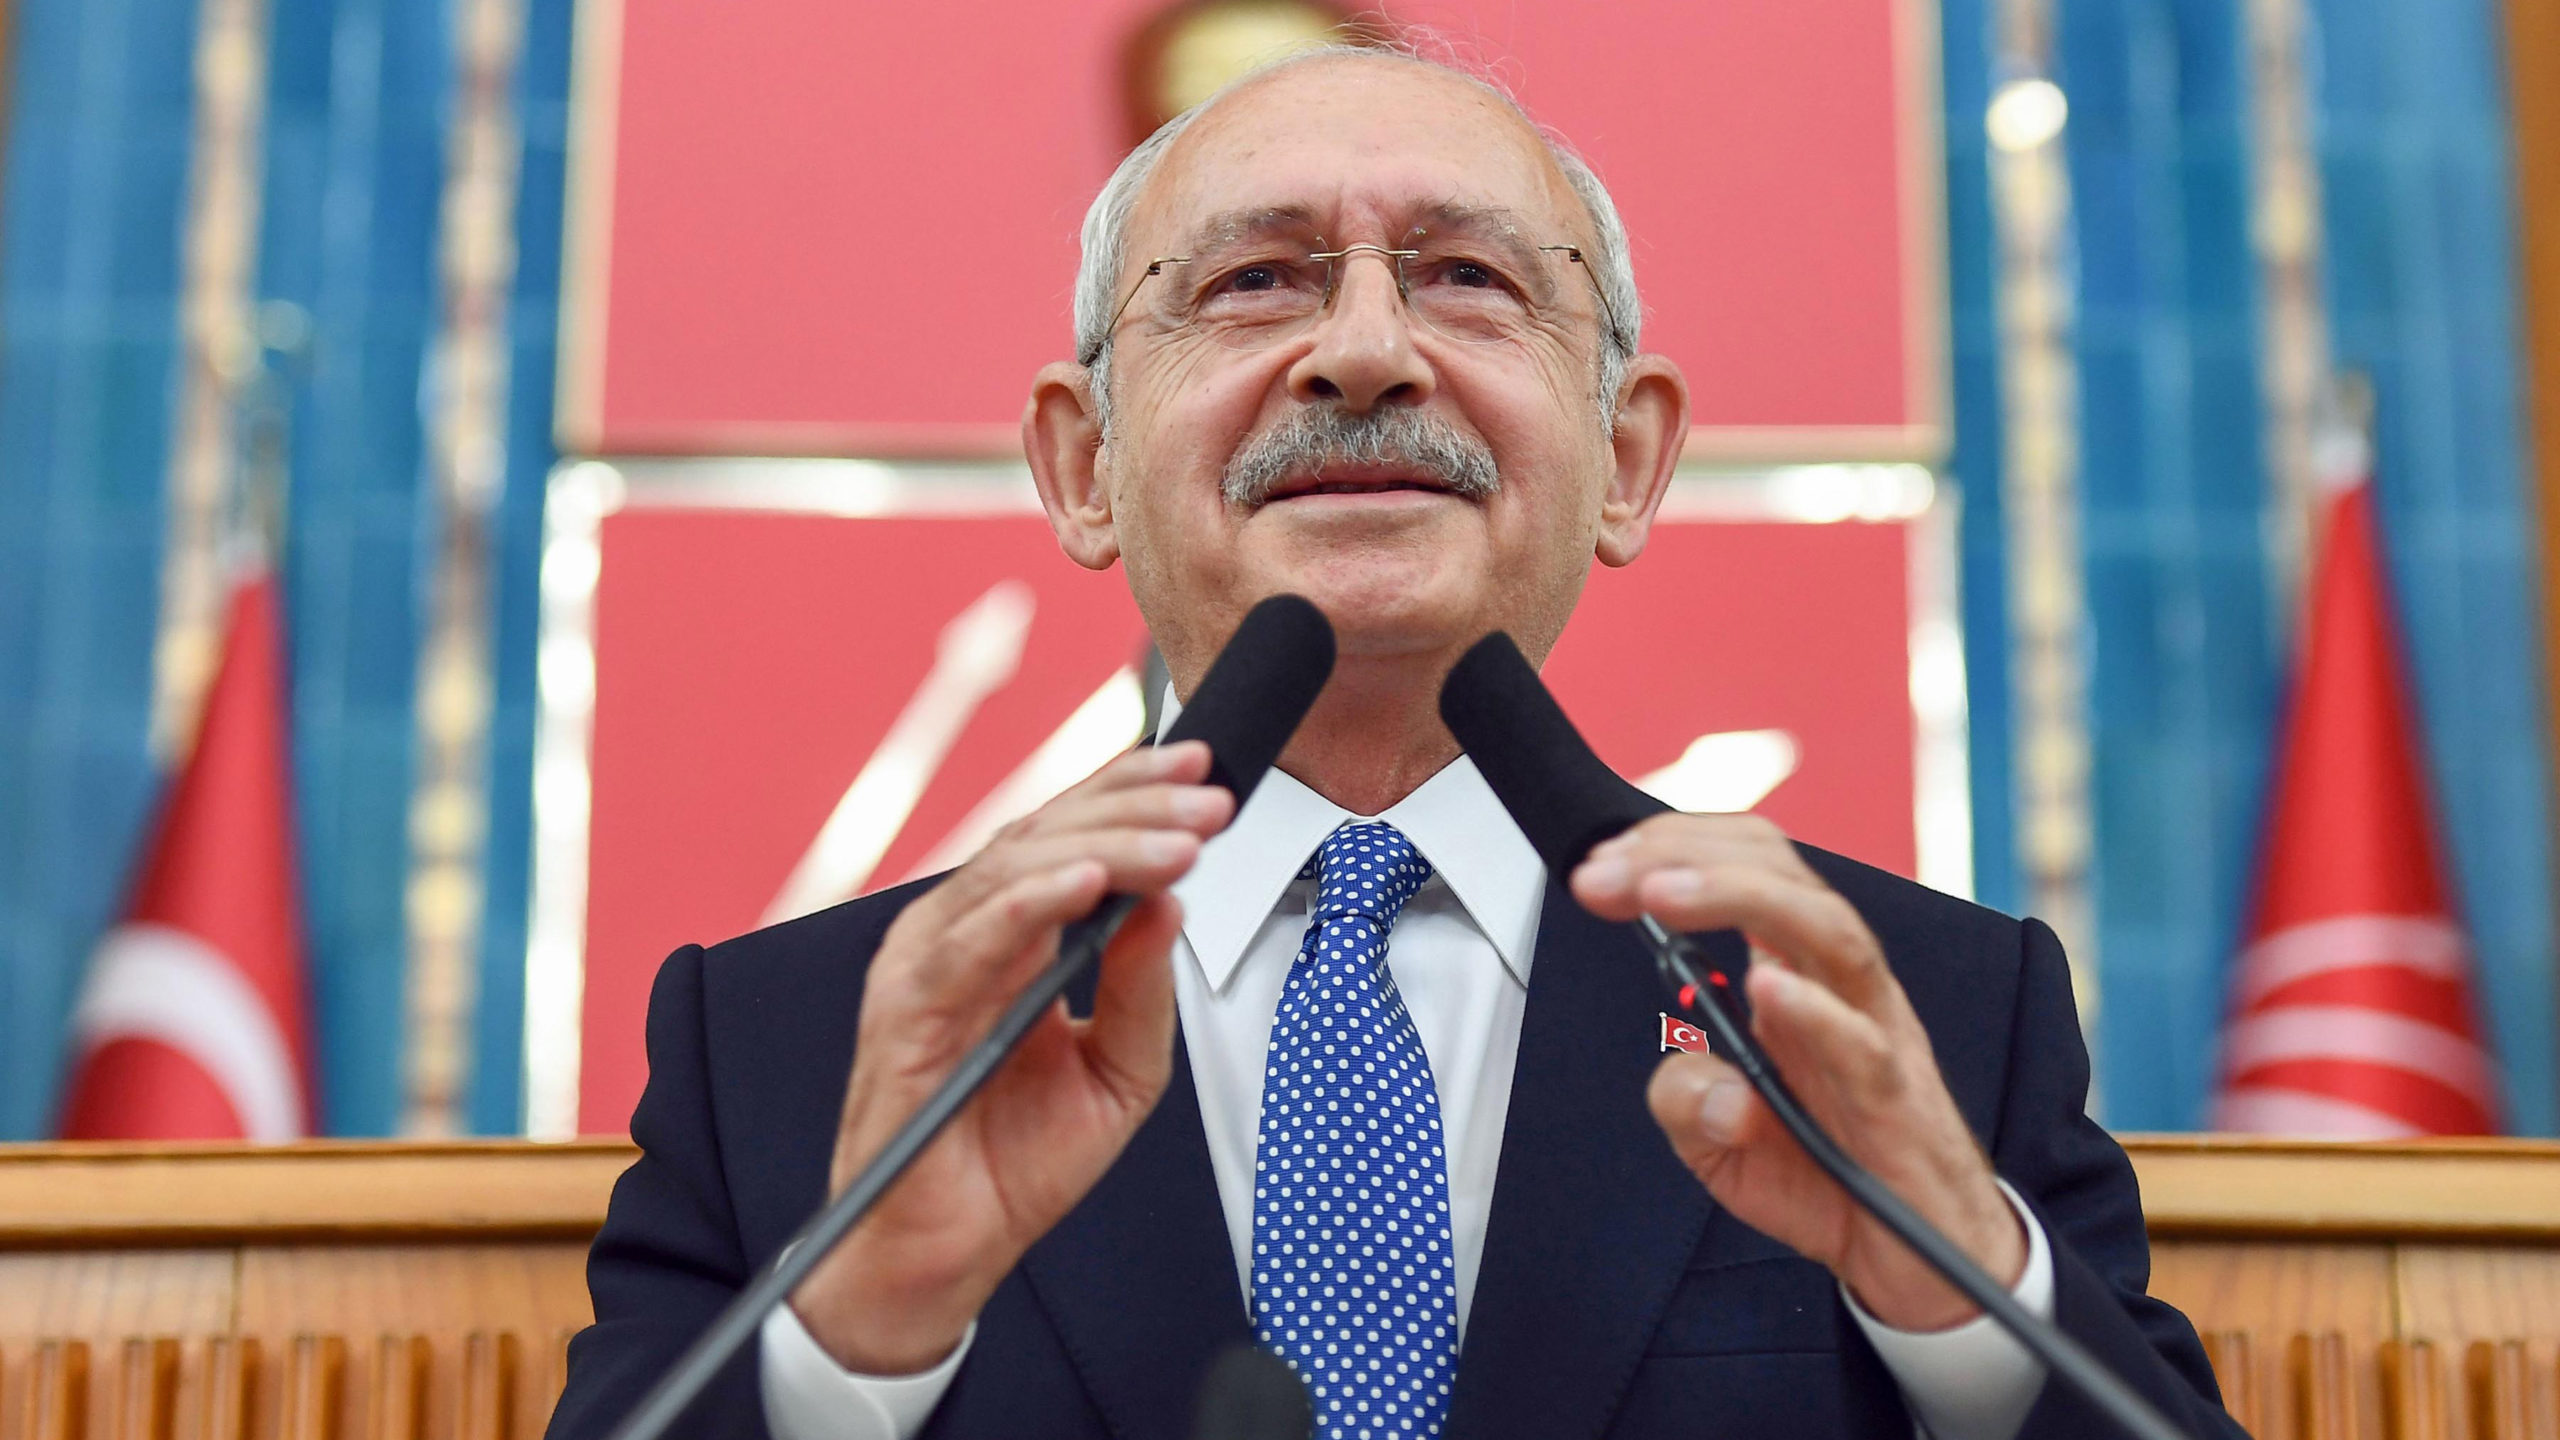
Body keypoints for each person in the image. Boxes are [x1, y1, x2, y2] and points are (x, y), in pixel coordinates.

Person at [547, 45, 2242, 1440]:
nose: (1363, 354)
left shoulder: (1916, 1018)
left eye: (1469, 280)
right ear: (1081, 465)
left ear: (1628, 458)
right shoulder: (787, 1054)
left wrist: (1958, 1293)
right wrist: (855, 1337)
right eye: (1254, 281)